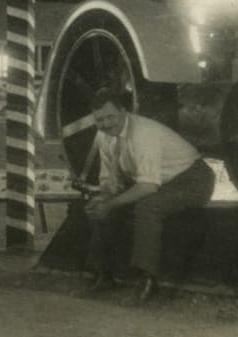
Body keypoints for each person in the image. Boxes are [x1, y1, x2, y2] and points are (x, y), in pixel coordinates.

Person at [82, 87, 214, 305]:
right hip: (160, 182)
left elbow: (148, 187)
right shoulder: (104, 137)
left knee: (148, 206)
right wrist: (103, 199)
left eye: (110, 117)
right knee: (102, 206)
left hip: (193, 180)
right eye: (100, 120)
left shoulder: (143, 133)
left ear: (123, 112)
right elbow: (110, 182)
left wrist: (110, 204)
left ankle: (148, 281)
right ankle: (103, 274)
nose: (106, 124)